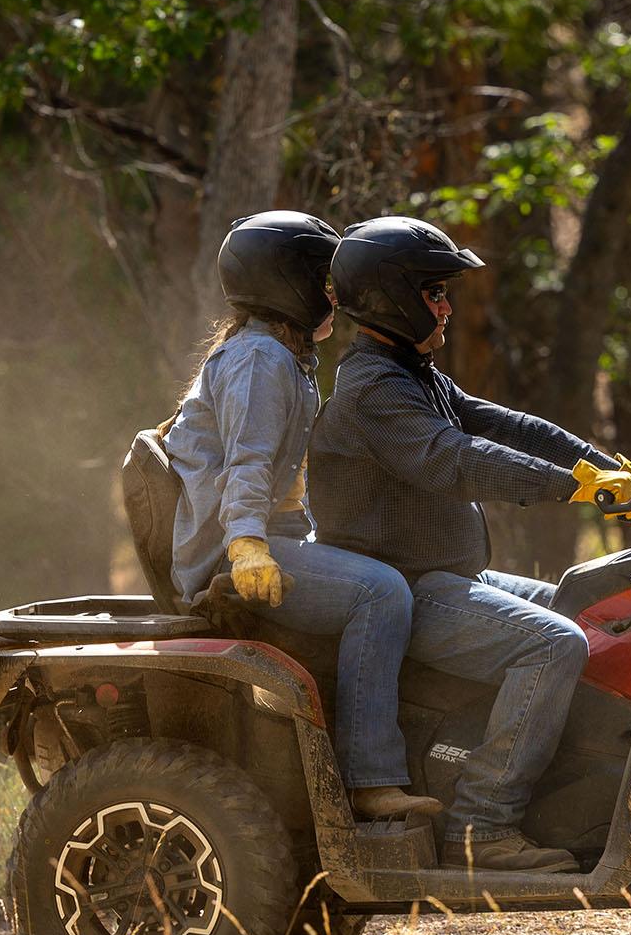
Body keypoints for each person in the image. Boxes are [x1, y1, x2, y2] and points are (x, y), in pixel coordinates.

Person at [308, 216, 631, 873]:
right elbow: (457, 460)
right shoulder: (374, 390)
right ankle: (481, 823)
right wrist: (579, 489)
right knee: (554, 643)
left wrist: (610, 468)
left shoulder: (411, 372)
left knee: (589, 610)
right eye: (434, 292)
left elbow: (508, 426)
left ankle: (573, 798)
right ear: (389, 298)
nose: (447, 305)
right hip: (407, 588)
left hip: (450, 576)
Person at [167, 210, 439, 823]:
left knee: (384, 574)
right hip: (238, 553)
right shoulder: (261, 357)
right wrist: (245, 549)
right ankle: (372, 782)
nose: (334, 294)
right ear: (284, 281)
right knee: (381, 593)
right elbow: (247, 465)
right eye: (323, 278)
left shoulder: (275, 354)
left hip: (266, 538)